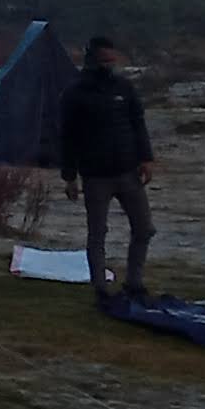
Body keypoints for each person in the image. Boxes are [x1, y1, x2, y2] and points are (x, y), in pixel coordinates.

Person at [57, 35, 157, 307]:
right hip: (95, 175)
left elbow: (138, 123)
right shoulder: (75, 93)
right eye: (104, 60)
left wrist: (146, 158)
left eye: (112, 60)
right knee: (98, 233)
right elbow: (67, 137)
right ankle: (100, 288)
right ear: (92, 60)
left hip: (128, 171)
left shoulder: (124, 87)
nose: (109, 64)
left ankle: (134, 283)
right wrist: (69, 176)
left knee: (145, 228)